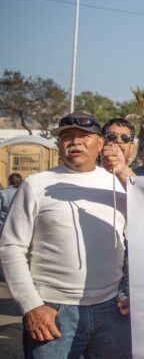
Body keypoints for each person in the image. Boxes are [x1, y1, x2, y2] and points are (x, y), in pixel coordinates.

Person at [0, 111, 130, 358]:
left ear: (100, 144)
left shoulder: (118, 185)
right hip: (53, 312)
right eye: (67, 137)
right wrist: (32, 306)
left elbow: (142, 242)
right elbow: (11, 247)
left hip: (112, 311)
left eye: (84, 136)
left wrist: (132, 292)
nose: (75, 142)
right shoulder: (36, 185)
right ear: (59, 144)